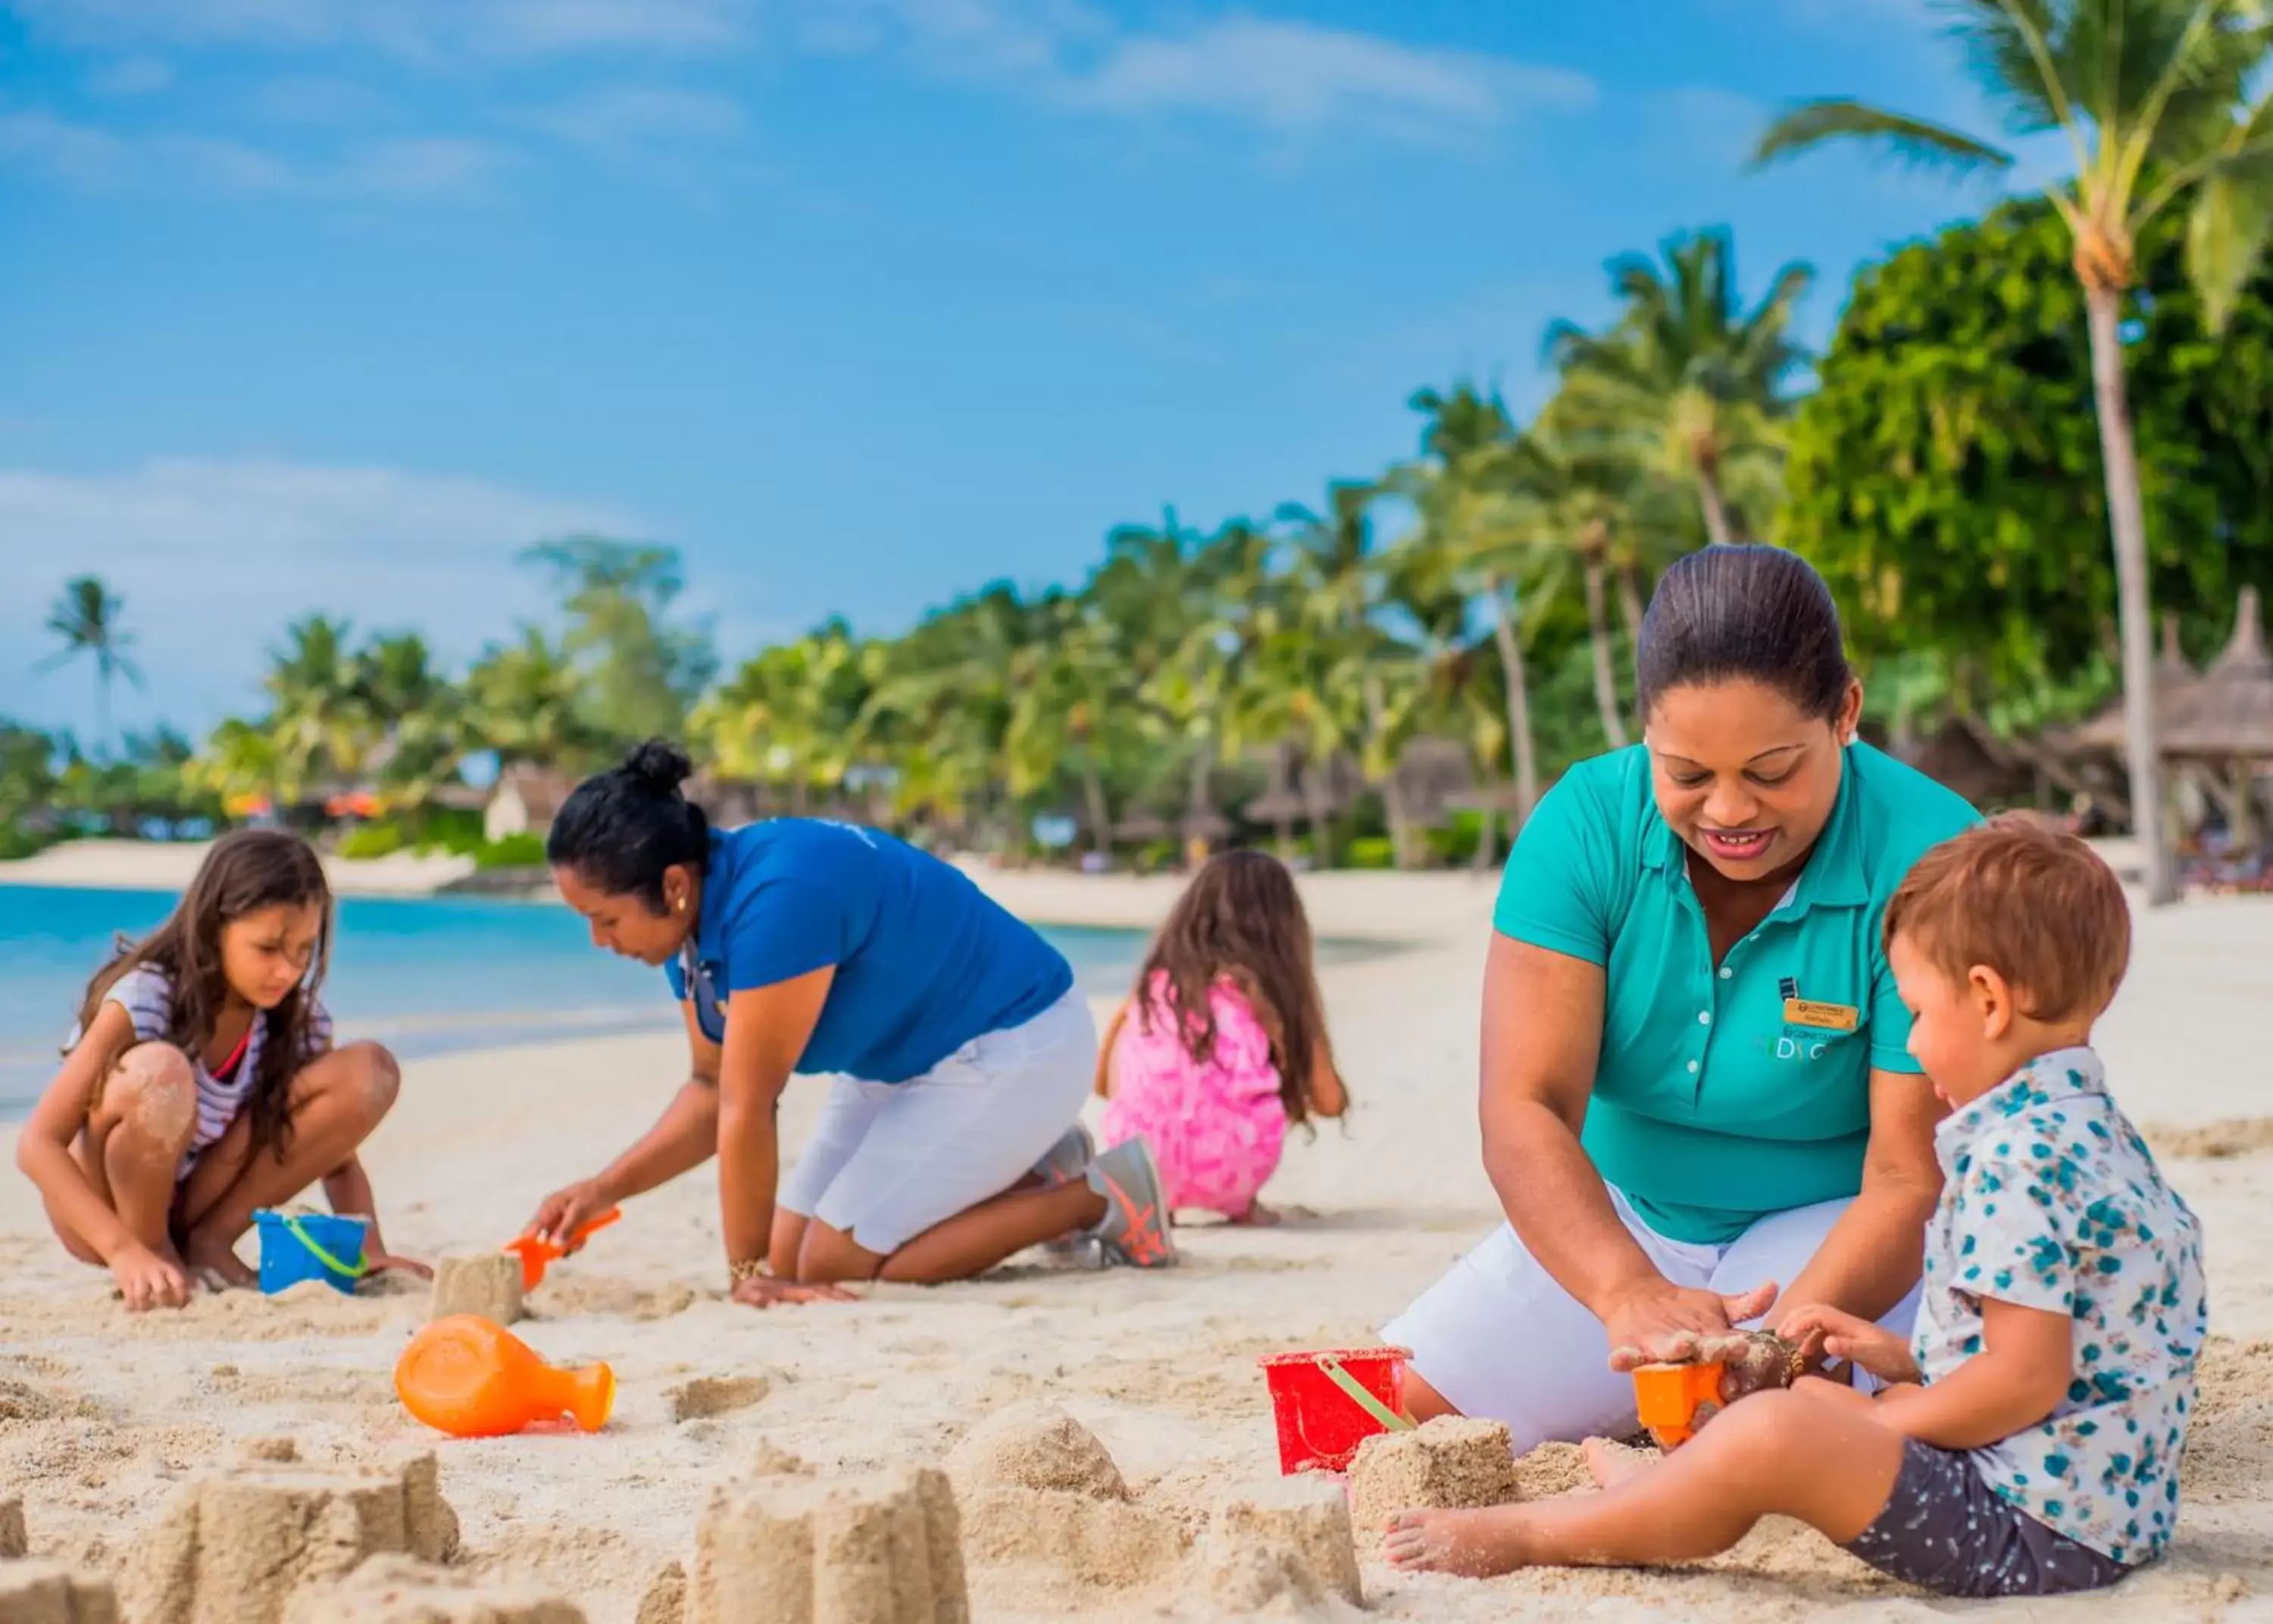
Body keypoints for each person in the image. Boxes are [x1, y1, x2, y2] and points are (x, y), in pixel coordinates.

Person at [1387, 817, 2206, 1601]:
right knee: (1808, 1400)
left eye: (1918, 1012)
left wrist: (1897, 1414)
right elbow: (2075, 1351)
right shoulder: (2099, 1139)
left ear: (1989, 1000)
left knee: (1774, 1428)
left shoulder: (2016, 1159)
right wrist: (1898, 1353)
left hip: (2027, 1527)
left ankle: (1546, 1532)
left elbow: (2026, 1377)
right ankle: (1672, 1487)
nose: (1911, 1044)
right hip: (2107, 1509)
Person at [1383, 544, 1980, 1448]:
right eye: (1689, 773)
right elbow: (1524, 1106)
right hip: (1625, 1224)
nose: (1730, 811)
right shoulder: (1585, 824)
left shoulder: (1934, 855)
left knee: (1745, 1431)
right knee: (1376, 1421)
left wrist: (1772, 1344)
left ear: (1847, 712)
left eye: (1773, 770)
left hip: (1841, 1230)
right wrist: (1627, 1291)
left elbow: (1905, 1176)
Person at [526, 742, 1174, 1307]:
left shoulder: (775, 900)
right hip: (900, 1066)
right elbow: (709, 1087)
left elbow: (747, 1106)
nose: (597, 941)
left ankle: (1098, 1196)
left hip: (1016, 1044)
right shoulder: (692, 930)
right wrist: (603, 1189)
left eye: (606, 920)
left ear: (671, 885)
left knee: (835, 1263)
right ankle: (1036, 1165)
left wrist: (745, 1276)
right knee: (792, 1255)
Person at [15, 829, 421, 1310]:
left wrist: (369, 1252)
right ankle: (152, 1250)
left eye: (304, 951)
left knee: (370, 1069)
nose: (288, 971)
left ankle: (210, 1243)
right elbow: (37, 1144)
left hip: (199, 1198)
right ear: (214, 927)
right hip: (108, 1210)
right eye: (268, 949)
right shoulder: (146, 996)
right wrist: (122, 1250)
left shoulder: (294, 1021)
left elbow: (337, 1156)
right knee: (161, 1071)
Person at [1094, 849, 1349, 1226]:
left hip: (1142, 1171)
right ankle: (1241, 1203)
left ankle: (1167, 1201)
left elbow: (1102, 1087)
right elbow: (1330, 1102)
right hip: (1237, 1171)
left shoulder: (1154, 988)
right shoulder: (1269, 998)